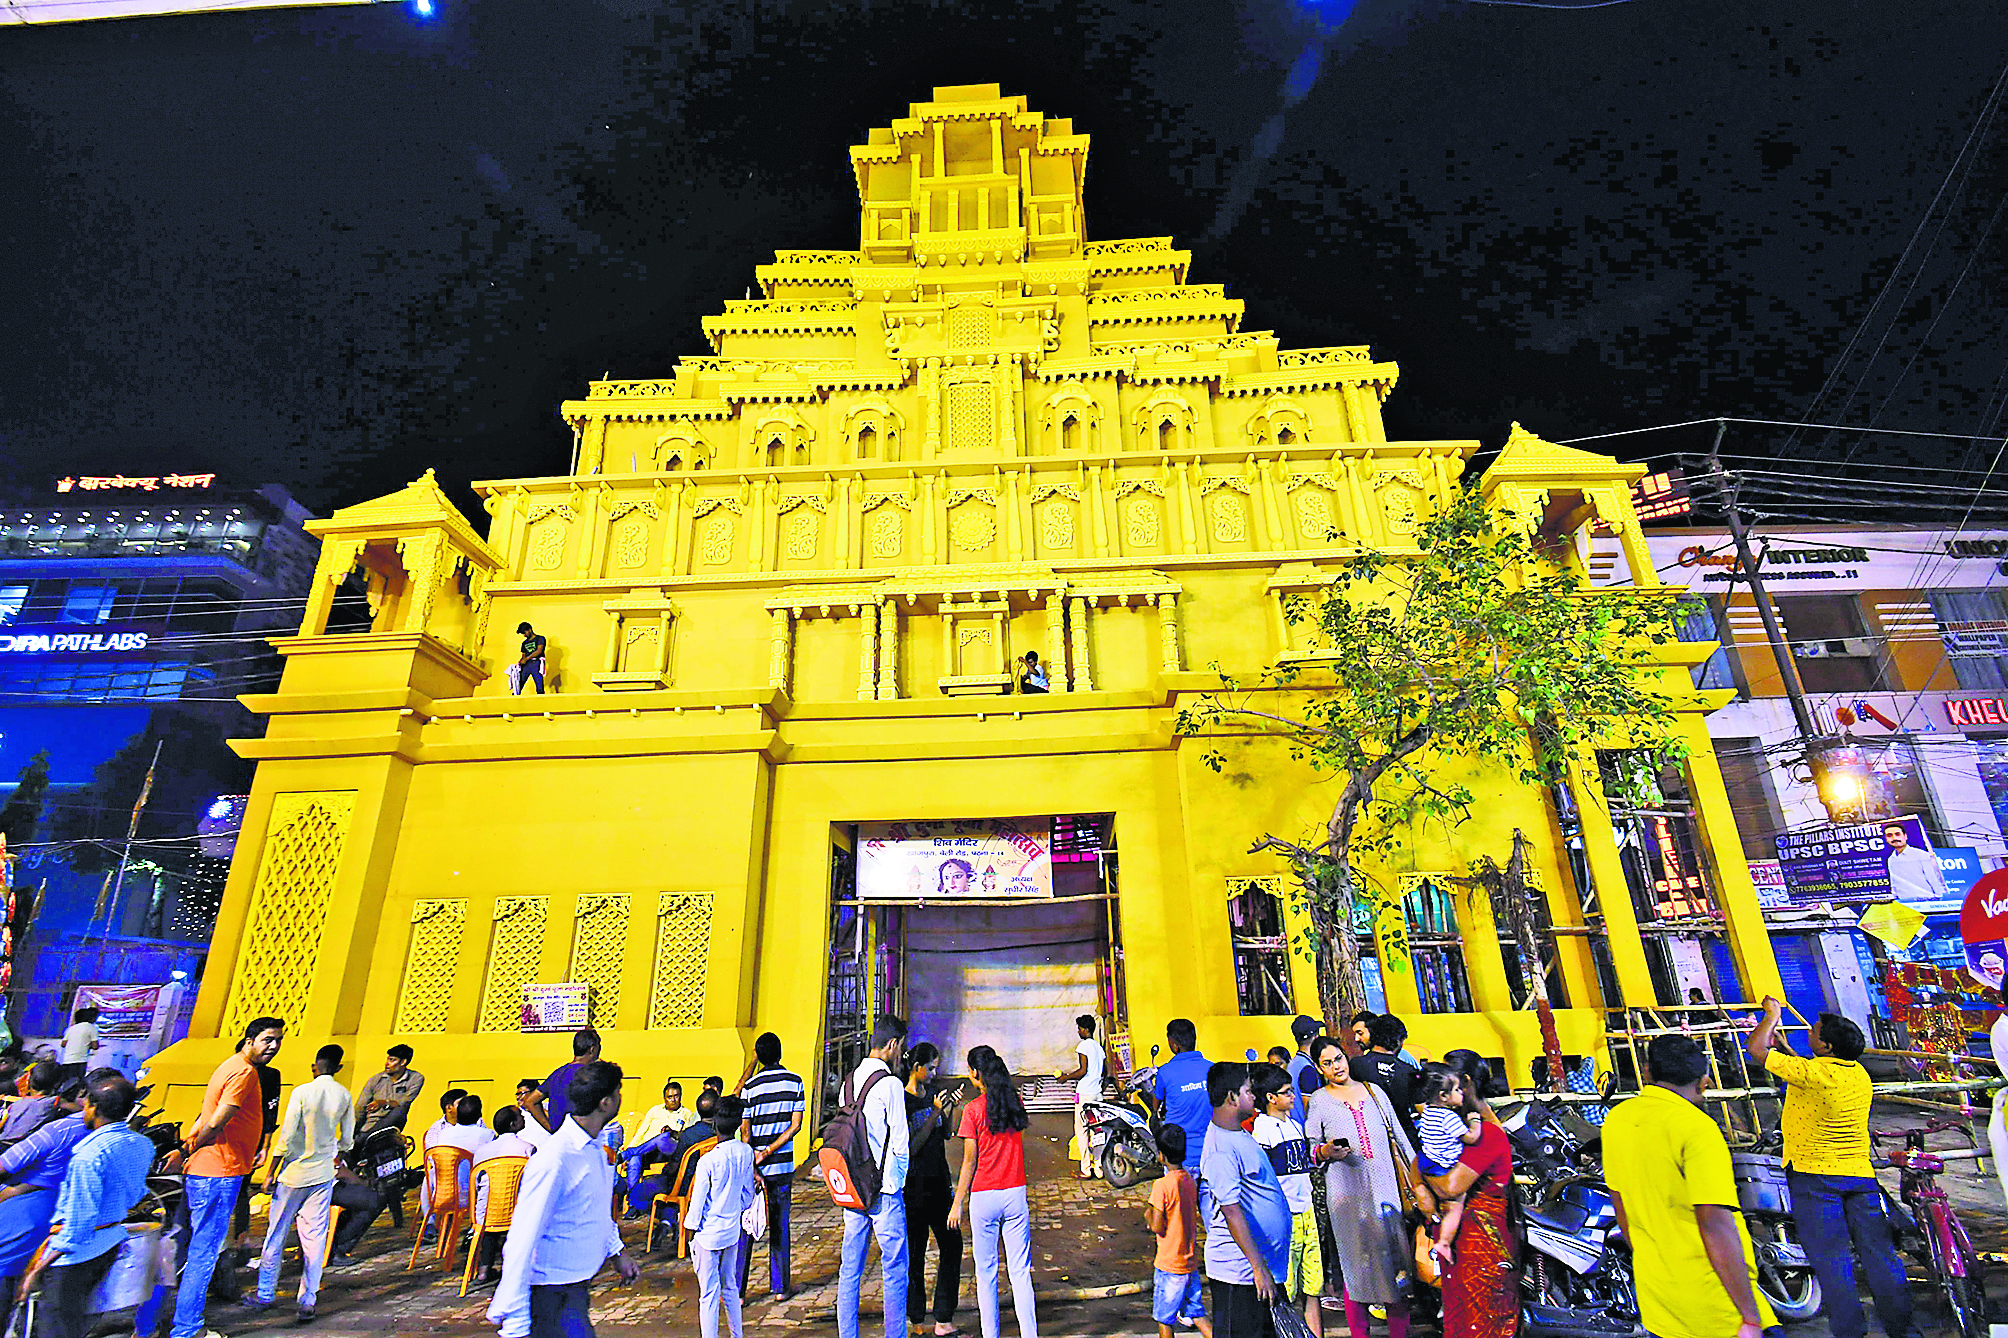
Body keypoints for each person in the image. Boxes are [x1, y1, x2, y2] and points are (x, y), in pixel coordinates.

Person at [1748, 997, 1912, 1338]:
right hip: (1859, 1177)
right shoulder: (1857, 1074)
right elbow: (1813, 1079)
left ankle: (1850, 1332)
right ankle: (1904, 1330)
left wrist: (1772, 1017)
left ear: (1826, 1045)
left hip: (1815, 1177)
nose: (1810, 1031)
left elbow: (1755, 1049)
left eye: (1815, 1031)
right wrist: (1788, 1052)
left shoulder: (1813, 1072)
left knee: (1832, 1260)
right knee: (1880, 1256)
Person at [1603, 1034, 1774, 1338]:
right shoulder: (1698, 1129)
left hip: (1658, 1304)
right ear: (1705, 1081)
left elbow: (1623, 1214)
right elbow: (1715, 1226)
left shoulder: (1618, 1119)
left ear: (1646, 1072)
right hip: (1715, 1306)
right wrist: (1749, 1315)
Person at [487, 1061, 639, 1338]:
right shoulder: (555, 1159)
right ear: (605, 1103)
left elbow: (595, 1210)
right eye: (619, 1091)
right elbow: (522, 1237)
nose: (620, 1097)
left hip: (576, 1286)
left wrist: (617, 1251)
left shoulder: (594, 1148)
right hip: (547, 1293)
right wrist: (516, 1322)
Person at [173, 1016, 284, 1338]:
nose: (273, 1046)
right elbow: (217, 1120)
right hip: (219, 1172)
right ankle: (187, 1329)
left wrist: (189, 1148)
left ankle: (181, 1321)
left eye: (278, 1041)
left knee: (197, 1249)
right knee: (203, 1254)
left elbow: (205, 1116)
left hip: (210, 1169)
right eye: (267, 1040)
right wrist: (192, 1148)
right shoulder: (245, 1072)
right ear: (250, 1040)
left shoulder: (230, 1065)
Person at [23, 1073, 151, 1338]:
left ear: (93, 1107)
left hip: (75, 1255)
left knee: (55, 1327)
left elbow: (78, 1224)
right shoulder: (141, 1144)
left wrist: (39, 1267)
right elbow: (137, 1194)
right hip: (109, 1241)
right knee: (78, 1321)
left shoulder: (89, 1155)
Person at [1305, 1035, 1416, 1338]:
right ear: (1319, 1068)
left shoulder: (1375, 1092)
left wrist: (1419, 1180)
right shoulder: (1319, 1100)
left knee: (1397, 1266)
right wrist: (1326, 1152)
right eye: (1327, 1063)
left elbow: (1400, 1138)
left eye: (1338, 1058)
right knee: (1355, 1270)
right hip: (1345, 1195)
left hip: (1385, 1191)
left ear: (1346, 1058)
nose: (1335, 1066)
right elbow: (1311, 1147)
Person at [1411, 1056, 1517, 1338]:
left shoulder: (1487, 1134)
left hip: (1480, 1247)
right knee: (1459, 1324)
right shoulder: (1452, 1132)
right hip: (1460, 1247)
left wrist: (1420, 1177)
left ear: (1465, 1084)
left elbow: (1449, 1187)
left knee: (1481, 1325)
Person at [250, 1044, 353, 1321]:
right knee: (315, 1239)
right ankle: (308, 1299)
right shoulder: (344, 1094)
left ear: (314, 1066)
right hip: (322, 1175)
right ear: (338, 1068)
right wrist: (336, 1159)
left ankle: (265, 1292)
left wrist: (270, 1171)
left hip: (293, 1174)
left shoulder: (301, 1092)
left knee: (276, 1232)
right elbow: (347, 1139)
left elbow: (286, 1136)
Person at [1200, 1061, 1291, 1338]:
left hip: (1262, 1273)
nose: (1254, 1096)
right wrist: (1258, 1267)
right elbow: (1232, 1212)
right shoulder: (1220, 1150)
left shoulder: (1239, 1134)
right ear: (1231, 1097)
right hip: (1240, 1276)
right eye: (1249, 1091)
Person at [950, 1045, 1034, 1338]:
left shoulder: (972, 1111)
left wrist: (957, 1202)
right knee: (1020, 1273)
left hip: (984, 1198)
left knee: (986, 1274)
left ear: (975, 1074)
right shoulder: (1015, 1101)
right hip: (1015, 1194)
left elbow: (969, 1162)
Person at [837, 1017, 911, 1338]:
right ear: (893, 1044)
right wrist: (898, 1182)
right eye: (901, 1048)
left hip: (853, 1187)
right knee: (894, 1269)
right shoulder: (891, 1084)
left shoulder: (848, 1083)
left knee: (850, 1269)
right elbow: (901, 1142)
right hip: (883, 1190)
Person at [0, 1078, 90, 1320]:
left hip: (30, 1215)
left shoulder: (57, 1130)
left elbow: (5, 1165)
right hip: (65, 1226)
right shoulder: (121, 1140)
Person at [736, 1032, 806, 1299]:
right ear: (780, 1052)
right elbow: (796, 1126)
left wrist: (755, 1160)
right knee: (779, 1225)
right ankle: (780, 1287)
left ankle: (739, 1292)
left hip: (754, 1169)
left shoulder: (750, 1087)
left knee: (747, 1227)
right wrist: (770, 1151)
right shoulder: (795, 1082)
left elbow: (745, 1131)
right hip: (781, 1168)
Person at [1251, 1066, 1319, 1336]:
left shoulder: (1294, 1125)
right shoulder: (1262, 1130)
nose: (1293, 1096)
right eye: (1286, 1092)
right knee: (1286, 1292)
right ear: (1270, 1098)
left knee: (1313, 1287)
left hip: (1307, 1211)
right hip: (1285, 1216)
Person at [686, 1096, 756, 1338]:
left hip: (707, 1234)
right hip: (731, 1231)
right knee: (730, 1288)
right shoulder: (746, 1152)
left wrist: (690, 1231)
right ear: (738, 1124)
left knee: (708, 1294)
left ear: (714, 1123)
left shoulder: (708, 1161)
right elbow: (748, 1196)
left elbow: (696, 1205)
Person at [903, 1043, 960, 1338]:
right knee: (915, 1254)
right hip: (914, 1189)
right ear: (917, 1068)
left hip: (939, 1183)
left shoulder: (932, 1094)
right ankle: (916, 1319)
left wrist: (948, 1110)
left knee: (952, 1246)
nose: (935, 1072)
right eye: (932, 1067)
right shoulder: (903, 1100)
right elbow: (911, 1147)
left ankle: (943, 1316)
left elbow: (947, 1134)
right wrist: (934, 1113)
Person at [1411, 1065, 1482, 1271]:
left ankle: (1434, 1219)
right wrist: (1474, 1121)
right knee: (1456, 1206)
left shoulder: (1428, 1111)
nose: (1461, 1094)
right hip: (1444, 1165)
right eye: (1458, 1090)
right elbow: (1470, 1137)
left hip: (1428, 1161)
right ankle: (1444, 1242)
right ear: (1443, 1096)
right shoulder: (1448, 1117)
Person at [1145, 1125, 1210, 1338]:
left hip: (1169, 1263)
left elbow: (1156, 1226)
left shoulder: (1161, 1186)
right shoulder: (1189, 1181)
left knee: (1164, 1320)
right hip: (1189, 1260)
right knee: (1197, 1313)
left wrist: (1148, 1214)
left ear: (1161, 1156)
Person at [1348, 1014, 1420, 1150]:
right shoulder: (1409, 1071)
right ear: (1399, 1041)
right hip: (1406, 1141)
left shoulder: (1356, 1066)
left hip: (1369, 1140)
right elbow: (1421, 1109)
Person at [1153, 1020, 1212, 1179]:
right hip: (1212, 1155)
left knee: (1181, 1203)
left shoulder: (1165, 1072)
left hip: (1179, 1159)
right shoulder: (1212, 1068)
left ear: (1173, 1045)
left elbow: (1156, 1106)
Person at [425, 1093, 495, 1216]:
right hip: (473, 1191)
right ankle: (479, 1224)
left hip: (445, 1190)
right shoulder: (487, 1134)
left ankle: (431, 1221)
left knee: (431, 1175)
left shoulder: (444, 1134)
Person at [1056, 1015, 1105, 1179]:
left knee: (1082, 1131)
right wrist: (1099, 1086)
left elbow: (1083, 1070)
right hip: (1097, 1095)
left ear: (1085, 1029)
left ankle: (1085, 1169)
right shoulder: (1099, 1048)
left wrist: (1066, 1077)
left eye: (1079, 1028)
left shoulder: (1083, 1046)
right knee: (1097, 1131)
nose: (1078, 1031)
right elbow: (1106, 1073)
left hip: (1084, 1094)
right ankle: (1098, 1167)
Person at [534, 1031, 600, 1132]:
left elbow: (531, 1101)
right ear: (592, 1049)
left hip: (560, 1138)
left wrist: (550, 1127)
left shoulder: (557, 1074)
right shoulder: (590, 1075)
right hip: (581, 1138)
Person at [356, 1045, 425, 1136]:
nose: (387, 1063)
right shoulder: (376, 1079)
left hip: (393, 1125)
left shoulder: (415, 1078)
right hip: (370, 1124)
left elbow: (404, 1102)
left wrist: (384, 1102)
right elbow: (361, 1106)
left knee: (400, 1110)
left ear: (403, 1062)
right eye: (388, 1059)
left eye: (392, 1060)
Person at [1881, 823, 1949, 903]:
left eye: (1897, 834)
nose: (1894, 838)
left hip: (1927, 902)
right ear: (1886, 839)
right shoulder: (1891, 859)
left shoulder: (1921, 855)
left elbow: (1934, 879)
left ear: (1905, 836)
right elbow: (1895, 883)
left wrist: (1939, 901)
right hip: (1905, 904)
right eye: (1889, 835)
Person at [0, 1064, 62, 1149]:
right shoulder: (54, 1102)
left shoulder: (12, 1104)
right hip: (22, 1148)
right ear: (57, 1084)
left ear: (29, 1081)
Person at [630, 1081, 694, 1150]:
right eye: (669, 1097)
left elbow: (686, 1138)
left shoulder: (686, 1114)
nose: (673, 1100)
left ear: (680, 1096)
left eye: (676, 1096)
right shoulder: (655, 1110)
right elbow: (641, 1132)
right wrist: (630, 1147)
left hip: (664, 1151)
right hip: (644, 1148)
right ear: (664, 1098)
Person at [1285, 1017, 1321, 1126]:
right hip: (1306, 1131)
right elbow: (1309, 1109)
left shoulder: (1293, 1064)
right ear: (1315, 1037)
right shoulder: (1307, 1068)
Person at [57, 1009, 97, 1081]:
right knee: (77, 1083)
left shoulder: (71, 1028)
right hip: (80, 1060)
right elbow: (95, 1046)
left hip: (66, 1060)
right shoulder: (91, 1027)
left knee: (66, 1082)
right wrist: (87, 1044)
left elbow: (63, 1044)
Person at [513, 622, 548, 695]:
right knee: (520, 681)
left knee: (538, 682)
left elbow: (539, 650)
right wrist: (520, 662)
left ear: (529, 630)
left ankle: (540, 697)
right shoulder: (524, 643)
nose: (524, 635)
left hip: (536, 662)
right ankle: (516, 695)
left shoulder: (539, 638)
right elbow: (523, 655)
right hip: (526, 664)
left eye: (524, 632)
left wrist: (527, 658)